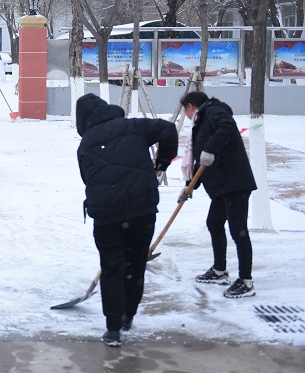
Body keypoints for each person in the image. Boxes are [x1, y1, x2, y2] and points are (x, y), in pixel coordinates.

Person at [75, 93, 178, 347]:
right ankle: (127, 315)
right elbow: (168, 130)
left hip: (107, 215)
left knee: (112, 267)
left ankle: (112, 330)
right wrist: (162, 162)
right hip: (141, 210)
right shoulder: (133, 126)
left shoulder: (86, 144)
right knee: (134, 265)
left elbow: (88, 179)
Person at [179, 91, 257, 299]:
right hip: (223, 184)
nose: (186, 116)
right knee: (214, 223)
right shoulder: (203, 120)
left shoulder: (213, 112)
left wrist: (210, 149)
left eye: (185, 111)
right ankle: (219, 270)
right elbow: (202, 160)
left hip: (235, 182)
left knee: (238, 230)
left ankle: (246, 281)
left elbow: (227, 128)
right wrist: (189, 187)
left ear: (191, 106)